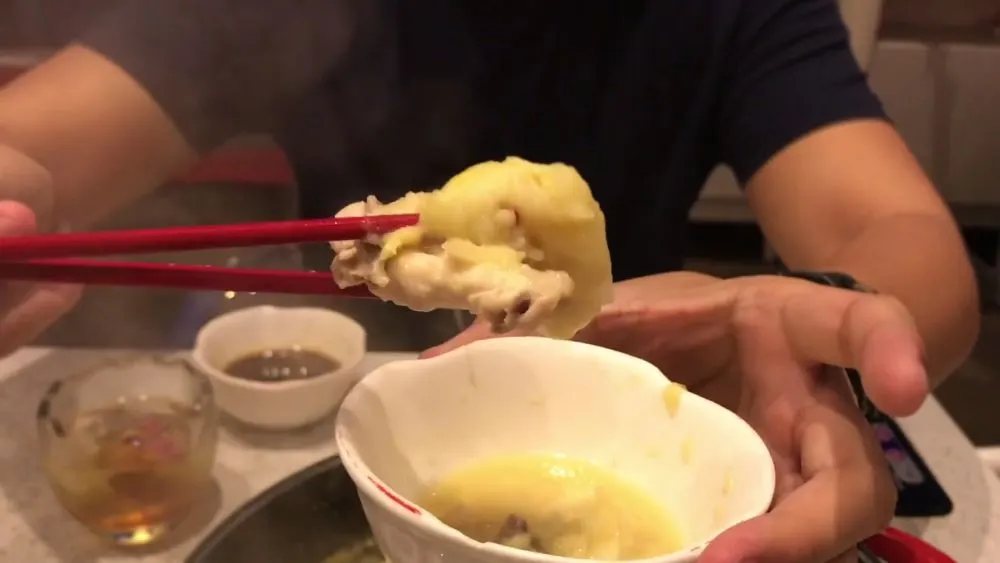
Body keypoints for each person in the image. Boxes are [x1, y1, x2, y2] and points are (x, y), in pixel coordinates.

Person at [0, 0, 979, 561]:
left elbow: (906, 241)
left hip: (638, 379)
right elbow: (34, 143)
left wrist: (800, 316)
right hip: (352, 410)